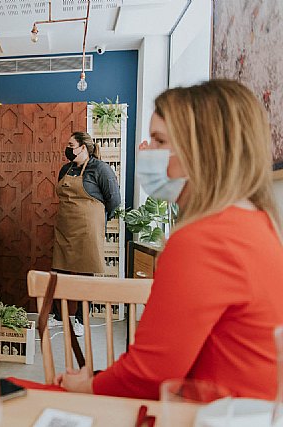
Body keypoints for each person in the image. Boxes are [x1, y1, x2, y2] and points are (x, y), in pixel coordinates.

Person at [56, 80, 283, 400]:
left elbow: (150, 374)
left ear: (202, 149)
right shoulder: (259, 223)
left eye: (159, 140)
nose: (145, 152)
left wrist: (87, 384)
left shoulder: (204, 239)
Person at [52, 132, 121, 337]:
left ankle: (82, 320)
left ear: (83, 147)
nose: (67, 148)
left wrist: (99, 220)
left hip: (87, 229)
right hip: (64, 226)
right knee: (60, 271)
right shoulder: (66, 169)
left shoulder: (100, 169)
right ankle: (59, 316)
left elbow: (114, 200)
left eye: (71, 144)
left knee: (85, 273)